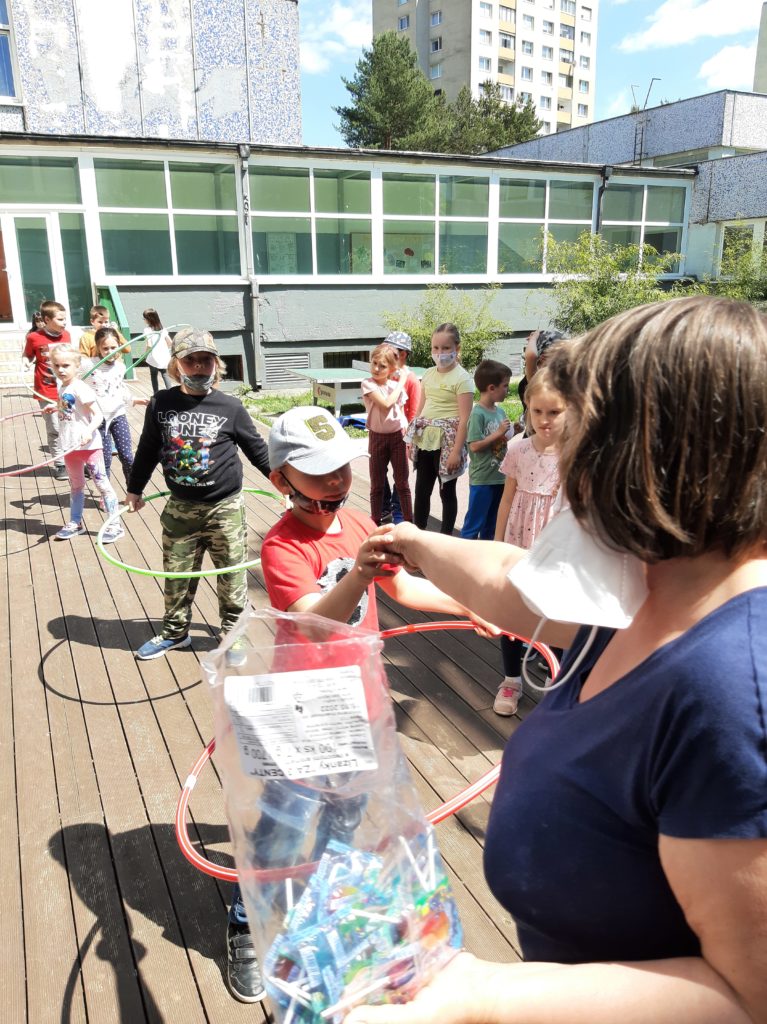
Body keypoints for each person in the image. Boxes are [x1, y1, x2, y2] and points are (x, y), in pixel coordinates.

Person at [358, 295, 767, 1024]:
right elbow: (511, 581)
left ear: (649, 448)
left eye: (574, 425)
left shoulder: (734, 684)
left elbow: (748, 993)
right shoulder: (651, 580)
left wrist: (479, 998)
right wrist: (413, 542)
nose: (553, 445)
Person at [224, 404, 486, 1005]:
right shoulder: (282, 546)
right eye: (318, 473)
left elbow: (405, 587)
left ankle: (319, 905)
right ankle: (247, 925)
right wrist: (358, 577)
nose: (337, 481)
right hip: (300, 711)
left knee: (344, 819)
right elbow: (314, 623)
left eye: (342, 467)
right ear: (281, 480)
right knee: (279, 829)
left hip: (362, 704)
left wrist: (469, 607)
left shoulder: (361, 524)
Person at [125, 327, 271, 660]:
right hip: (180, 509)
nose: (199, 367)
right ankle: (175, 632)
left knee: (231, 575)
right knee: (177, 575)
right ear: (176, 365)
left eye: (206, 360)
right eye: (191, 361)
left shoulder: (230, 407)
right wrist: (134, 489)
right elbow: (147, 448)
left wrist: (286, 485)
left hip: (225, 509)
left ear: (216, 364)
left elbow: (258, 451)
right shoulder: (161, 403)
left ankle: (233, 634)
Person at [491, 366, 566, 715]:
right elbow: (507, 499)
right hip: (518, 542)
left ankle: (557, 681)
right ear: (527, 407)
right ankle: (511, 680)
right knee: (512, 612)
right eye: (537, 411)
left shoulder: (573, 454)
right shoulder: (518, 450)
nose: (544, 420)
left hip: (555, 548)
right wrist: (497, 544)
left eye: (554, 412)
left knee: (556, 614)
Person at [48, 345, 123, 543]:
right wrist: (55, 407)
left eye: (65, 365)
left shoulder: (80, 387)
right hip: (70, 446)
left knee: (102, 484)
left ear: (77, 366)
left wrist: (88, 431)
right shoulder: (62, 386)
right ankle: (75, 523)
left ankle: (115, 525)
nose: (61, 369)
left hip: (89, 447)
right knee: (76, 486)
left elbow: (98, 416)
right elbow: (70, 409)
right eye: (56, 365)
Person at [407, 323, 473, 535]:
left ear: (457, 348)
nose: (440, 353)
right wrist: (412, 440)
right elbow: (420, 409)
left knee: (447, 493)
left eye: (445, 348)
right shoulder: (428, 374)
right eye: (435, 347)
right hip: (425, 440)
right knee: (421, 490)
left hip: (448, 443)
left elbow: (465, 419)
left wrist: (456, 451)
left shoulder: (462, 378)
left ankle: (446, 537)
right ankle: (418, 534)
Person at [88, 326, 149, 488]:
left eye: (113, 347)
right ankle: (106, 493)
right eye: (105, 348)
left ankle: (133, 490)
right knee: (105, 459)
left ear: (119, 347)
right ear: (98, 347)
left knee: (127, 456)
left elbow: (119, 387)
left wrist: (133, 400)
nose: (110, 352)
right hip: (99, 419)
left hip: (118, 415)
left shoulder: (120, 367)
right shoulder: (88, 366)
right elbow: (73, 381)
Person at [361, 343, 413, 525]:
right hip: (377, 437)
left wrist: (408, 435)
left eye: (382, 366)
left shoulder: (395, 386)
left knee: (402, 483)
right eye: (374, 363)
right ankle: (375, 522)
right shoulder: (368, 384)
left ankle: (408, 521)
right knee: (377, 484)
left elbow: (400, 412)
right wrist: (402, 381)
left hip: (397, 437)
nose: (376, 368)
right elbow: (386, 404)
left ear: (391, 368)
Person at [459, 360, 511, 542]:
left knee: (492, 524)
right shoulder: (477, 414)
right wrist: (498, 433)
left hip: (499, 477)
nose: (507, 390)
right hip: (482, 479)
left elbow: (501, 439)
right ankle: (462, 555)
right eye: (505, 386)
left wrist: (513, 431)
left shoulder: (500, 412)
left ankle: (484, 556)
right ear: (491, 388)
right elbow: (474, 446)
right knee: (474, 523)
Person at [23, 299, 71, 480]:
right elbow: (27, 355)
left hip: (66, 389)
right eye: (60, 319)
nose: (64, 322)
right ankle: (60, 464)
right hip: (47, 390)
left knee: (69, 425)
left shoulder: (66, 335)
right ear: (47, 320)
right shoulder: (34, 337)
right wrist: (26, 363)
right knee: (55, 427)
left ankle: (74, 461)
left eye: (65, 318)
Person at [380, 330, 421, 524]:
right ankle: (384, 507)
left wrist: (411, 440)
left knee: (400, 476)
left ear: (403, 354)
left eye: (390, 350)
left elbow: (414, 413)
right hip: (381, 433)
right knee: (379, 472)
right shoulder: (383, 375)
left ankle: (399, 511)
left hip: (402, 436)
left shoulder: (411, 380)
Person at [142, 308, 173, 392]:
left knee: (153, 375)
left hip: (153, 356)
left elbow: (149, 345)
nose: (144, 320)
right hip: (164, 355)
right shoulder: (163, 329)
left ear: (149, 319)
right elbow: (170, 342)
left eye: (144, 318)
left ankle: (156, 394)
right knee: (165, 374)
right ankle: (170, 393)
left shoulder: (147, 330)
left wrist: (145, 355)